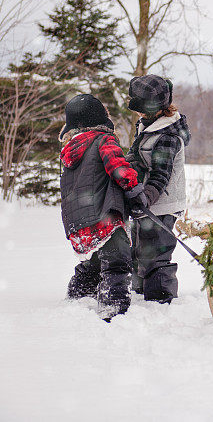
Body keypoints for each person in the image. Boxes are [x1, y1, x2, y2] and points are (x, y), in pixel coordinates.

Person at [59, 94, 147, 320]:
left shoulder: (71, 148)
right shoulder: (103, 140)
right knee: (118, 260)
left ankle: (79, 293)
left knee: (99, 258)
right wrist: (134, 190)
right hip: (103, 217)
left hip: (79, 222)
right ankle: (113, 308)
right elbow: (118, 168)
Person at [126, 75, 191, 303]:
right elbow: (137, 157)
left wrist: (144, 198)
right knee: (139, 250)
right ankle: (139, 294)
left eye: (142, 109)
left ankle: (161, 299)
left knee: (156, 253)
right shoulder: (147, 125)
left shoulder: (168, 135)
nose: (139, 114)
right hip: (146, 200)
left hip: (162, 202)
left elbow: (160, 174)